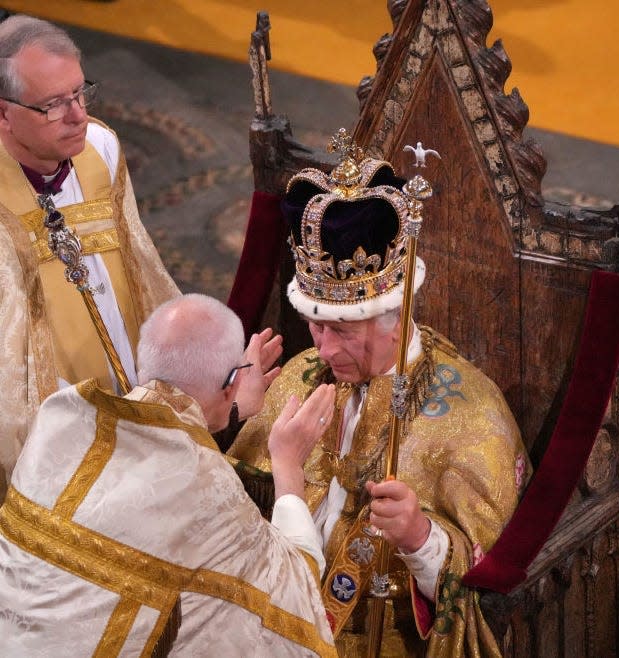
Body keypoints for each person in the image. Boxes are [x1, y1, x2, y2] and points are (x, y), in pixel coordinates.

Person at [228, 138, 531, 657]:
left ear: (398, 315)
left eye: (343, 331)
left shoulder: (472, 414)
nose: (322, 349)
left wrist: (419, 537)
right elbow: (229, 518)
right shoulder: (302, 375)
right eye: (313, 326)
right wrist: (235, 415)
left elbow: (488, 587)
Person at [0, 293, 337, 656]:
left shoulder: (61, 421)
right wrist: (287, 465)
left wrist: (230, 407)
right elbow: (294, 597)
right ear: (231, 383)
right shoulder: (206, 488)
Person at [0, 14, 179, 501]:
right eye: (53, 105)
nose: (77, 115)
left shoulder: (100, 147)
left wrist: (176, 365)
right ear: (3, 114)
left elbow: (141, 267)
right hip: (47, 422)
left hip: (128, 391)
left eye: (80, 93)